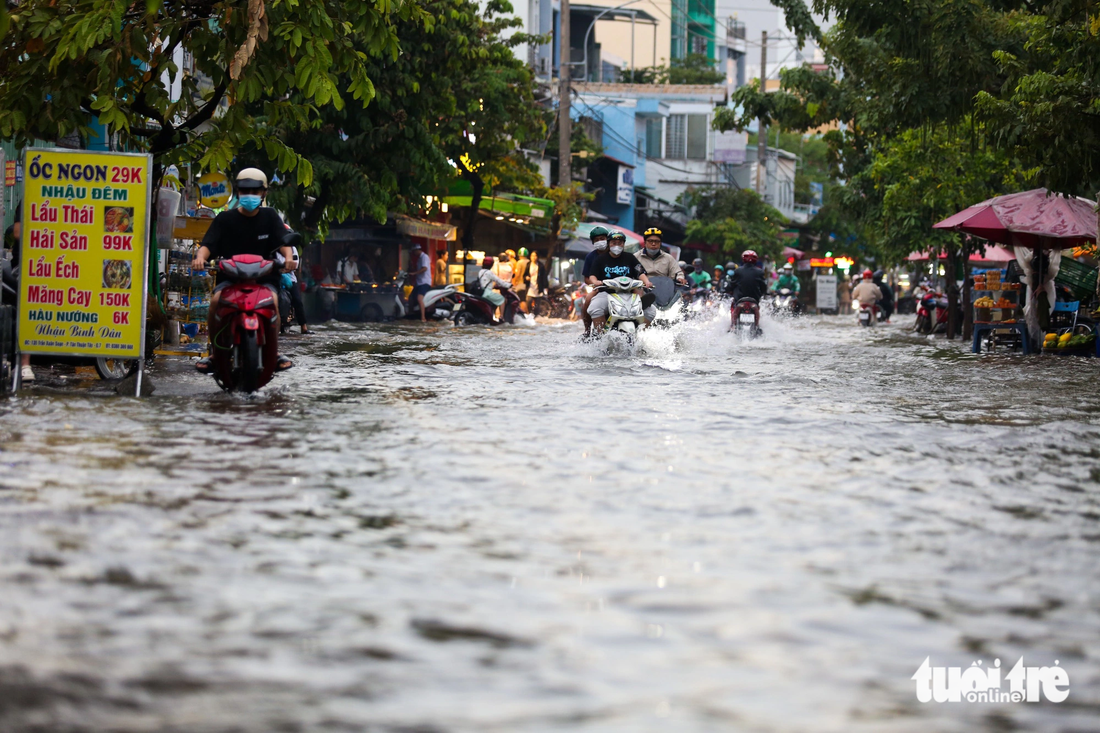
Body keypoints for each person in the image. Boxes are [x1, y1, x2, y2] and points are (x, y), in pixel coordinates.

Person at [191, 168, 296, 372]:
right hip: (230, 280)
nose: (250, 195)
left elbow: (284, 241)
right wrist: (199, 258)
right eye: (245, 191)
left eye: (255, 191)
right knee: (215, 303)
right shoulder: (224, 219)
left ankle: (273, 352)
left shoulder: (270, 216)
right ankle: (215, 352)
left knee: (273, 304)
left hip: (265, 280)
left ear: (264, 193)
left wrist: (289, 258)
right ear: (238, 192)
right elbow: (207, 245)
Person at [586, 231, 654, 332]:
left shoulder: (630, 257)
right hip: (607, 292)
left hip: (629, 293)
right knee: (595, 308)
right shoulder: (601, 259)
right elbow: (592, 275)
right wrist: (596, 282)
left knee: (651, 311)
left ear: (623, 244)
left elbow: (640, 272)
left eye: (620, 243)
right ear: (609, 243)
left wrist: (647, 282)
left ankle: (641, 336)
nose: (617, 245)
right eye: (614, 243)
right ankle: (601, 338)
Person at [3, 204, 33, 381]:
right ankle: (24, 364)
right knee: (28, 303)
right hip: (25, 265)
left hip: (55, 266)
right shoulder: (30, 198)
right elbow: (17, 233)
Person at [580, 225, 610, 336]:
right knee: (587, 300)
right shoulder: (590, 257)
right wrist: (596, 283)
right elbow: (586, 278)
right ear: (593, 242)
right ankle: (587, 330)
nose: (600, 241)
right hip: (599, 288)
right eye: (596, 240)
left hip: (618, 287)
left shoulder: (615, 254)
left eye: (602, 239)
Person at [407, 243, 432, 322]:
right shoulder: (419, 259)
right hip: (419, 282)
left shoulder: (424, 257)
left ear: (417, 250)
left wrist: (414, 273)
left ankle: (423, 318)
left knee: (419, 299)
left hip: (424, 282)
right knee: (410, 298)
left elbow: (424, 268)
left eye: (414, 251)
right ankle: (411, 315)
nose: (413, 253)